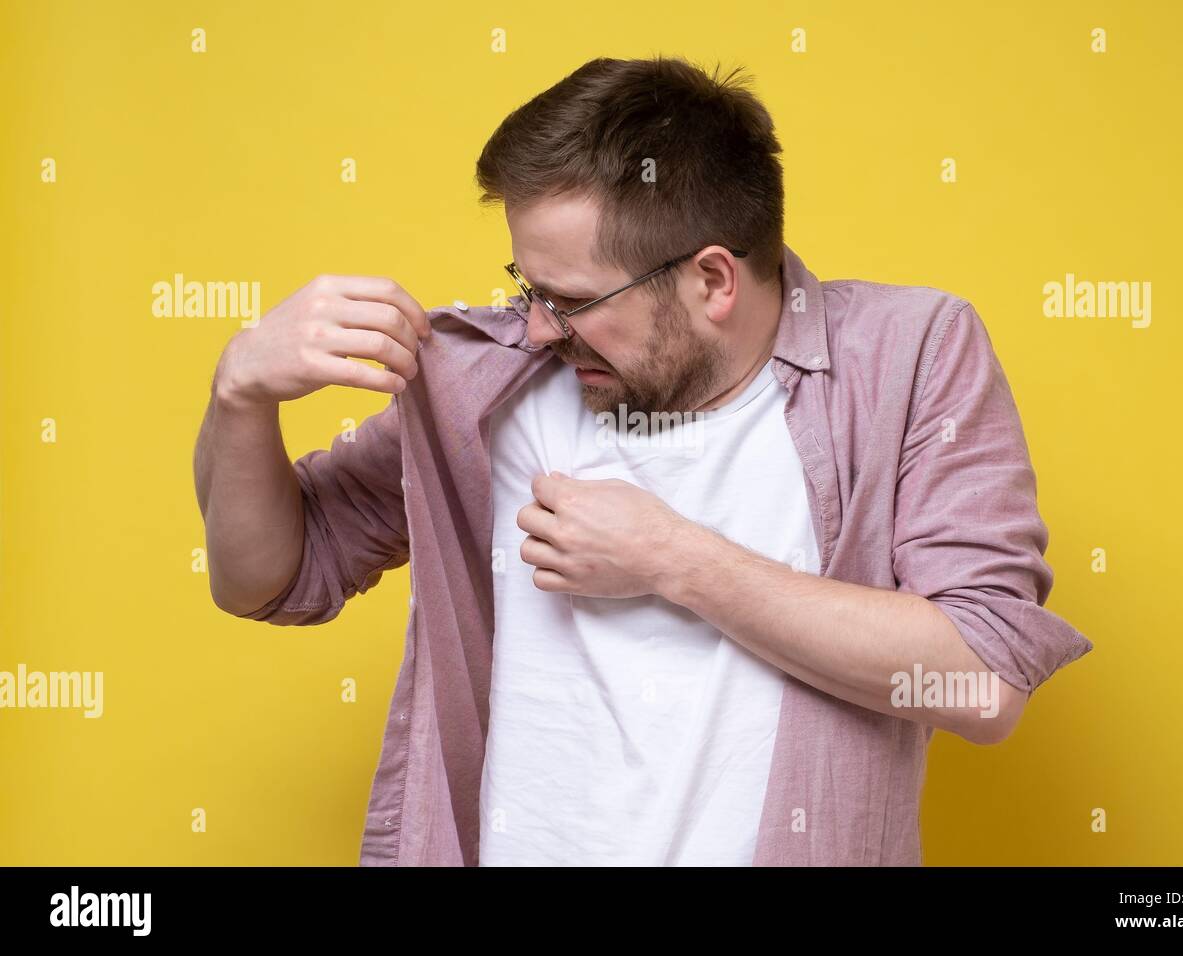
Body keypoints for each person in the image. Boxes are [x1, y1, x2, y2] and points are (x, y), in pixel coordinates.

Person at [193, 55, 1092, 866]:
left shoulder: (907, 356)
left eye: (572, 298)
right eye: (527, 288)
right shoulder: (484, 379)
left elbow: (982, 680)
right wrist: (240, 393)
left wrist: (672, 559)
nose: (539, 326)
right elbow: (267, 579)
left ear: (712, 281)